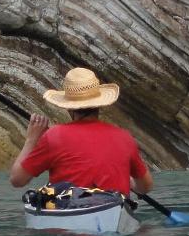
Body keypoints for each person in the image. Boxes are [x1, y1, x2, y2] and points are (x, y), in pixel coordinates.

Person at [9, 67, 153, 197]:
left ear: (69, 107)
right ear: (99, 104)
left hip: (69, 213)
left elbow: (17, 180)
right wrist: (130, 182)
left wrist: (31, 140)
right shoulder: (124, 137)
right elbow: (145, 187)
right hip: (114, 208)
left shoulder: (54, 136)